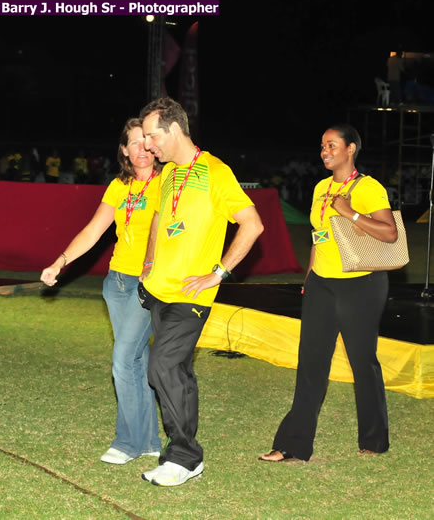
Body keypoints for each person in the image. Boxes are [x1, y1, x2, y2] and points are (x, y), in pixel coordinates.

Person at [138, 97, 263, 487]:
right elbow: (160, 216)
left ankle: (185, 456)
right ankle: (182, 456)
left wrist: (219, 273)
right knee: (177, 373)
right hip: (160, 289)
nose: (147, 145)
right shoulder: (169, 174)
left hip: (192, 294)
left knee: (161, 366)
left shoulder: (215, 171)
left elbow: (252, 224)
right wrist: (148, 264)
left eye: (151, 136)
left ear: (174, 129)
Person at [260, 125, 397, 463]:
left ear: (351, 149)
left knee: (362, 363)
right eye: (322, 146)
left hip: (361, 284)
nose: (324, 151)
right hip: (321, 283)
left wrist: (349, 211)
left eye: (331, 145)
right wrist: (310, 277)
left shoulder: (369, 188)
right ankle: (293, 444)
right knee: (310, 364)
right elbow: (318, 236)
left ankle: (374, 438)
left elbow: (390, 233)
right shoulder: (321, 186)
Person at [41, 118, 163, 465]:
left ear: (155, 147)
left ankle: (127, 442)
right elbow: (94, 230)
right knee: (135, 361)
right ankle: (150, 439)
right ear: (123, 150)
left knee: (123, 360)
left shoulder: (166, 184)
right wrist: (60, 262)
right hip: (117, 283)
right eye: (133, 143)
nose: (141, 148)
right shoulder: (118, 186)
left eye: (146, 141)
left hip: (147, 283)